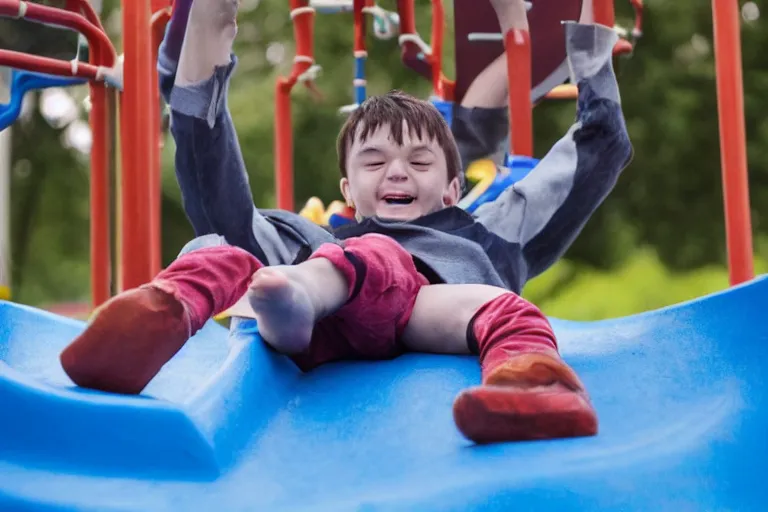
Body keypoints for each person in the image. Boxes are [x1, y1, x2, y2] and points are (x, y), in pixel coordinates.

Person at [59, 0, 632, 444]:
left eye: (420, 161)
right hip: (309, 301)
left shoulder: (489, 231)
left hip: (421, 314)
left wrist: (586, 37)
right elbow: (215, 190)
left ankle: (534, 389)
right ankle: (168, 310)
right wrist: (212, 20)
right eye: (376, 161)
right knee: (221, 246)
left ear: (454, 188)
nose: (398, 172)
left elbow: (602, 147)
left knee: (500, 308)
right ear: (347, 191)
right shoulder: (323, 234)